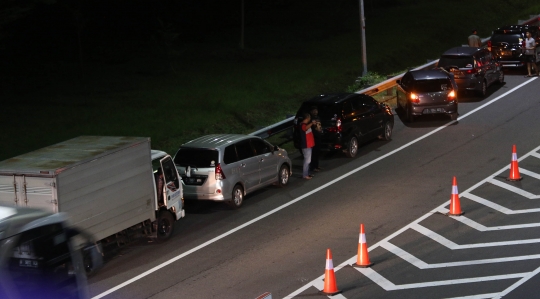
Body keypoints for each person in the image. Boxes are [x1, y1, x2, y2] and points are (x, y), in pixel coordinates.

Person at [300, 112, 315, 180]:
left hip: (309, 145)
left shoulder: (305, 124)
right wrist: (311, 123)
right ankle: (305, 174)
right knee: (307, 161)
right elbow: (305, 128)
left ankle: (307, 173)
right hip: (306, 145)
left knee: (308, 160)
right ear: (307, 118)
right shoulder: (303, 125)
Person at [309, 106, 322, 173]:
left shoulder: (318, 118)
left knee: (317, 152)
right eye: (314, 110)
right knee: (313, 153)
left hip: (318, 136)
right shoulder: (310, 119)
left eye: (316, 110)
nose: (315, 112)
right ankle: (313, 167)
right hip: (313, 137)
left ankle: (316, 165)